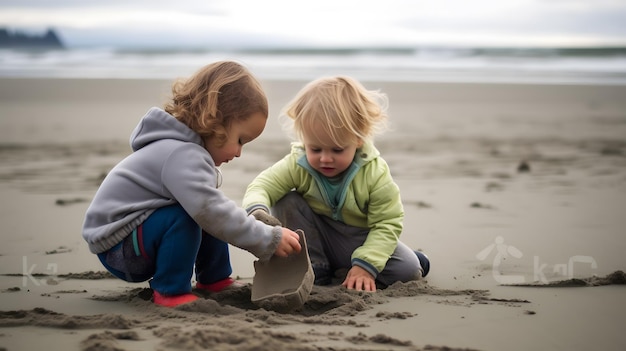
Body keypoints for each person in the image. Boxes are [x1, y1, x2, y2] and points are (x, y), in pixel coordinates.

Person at [82, 61, 302, 307]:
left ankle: (214, 279)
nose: (239, 152)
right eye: (240, 140)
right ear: (215, 120)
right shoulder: (182, 155)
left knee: (206, 208)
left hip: (135, 237)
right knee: (194, 213)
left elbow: (212, 210)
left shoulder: (186, 151)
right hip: (119, 248)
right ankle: (170, 291)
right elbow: (211, 212)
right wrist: (266, 239)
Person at [242, 76, 430, 292]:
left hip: (360, 239)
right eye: (315, 149)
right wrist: (257, 209)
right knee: (286, 200)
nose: (325, 158)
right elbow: (263, 186)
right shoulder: (298, 163)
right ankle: (316, 265)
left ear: (358, 139)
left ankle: (408, 258)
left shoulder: (375, 173)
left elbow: (388, 223)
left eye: (337, 150)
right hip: (314, 236)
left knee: (408, 270)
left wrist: (366, 265)